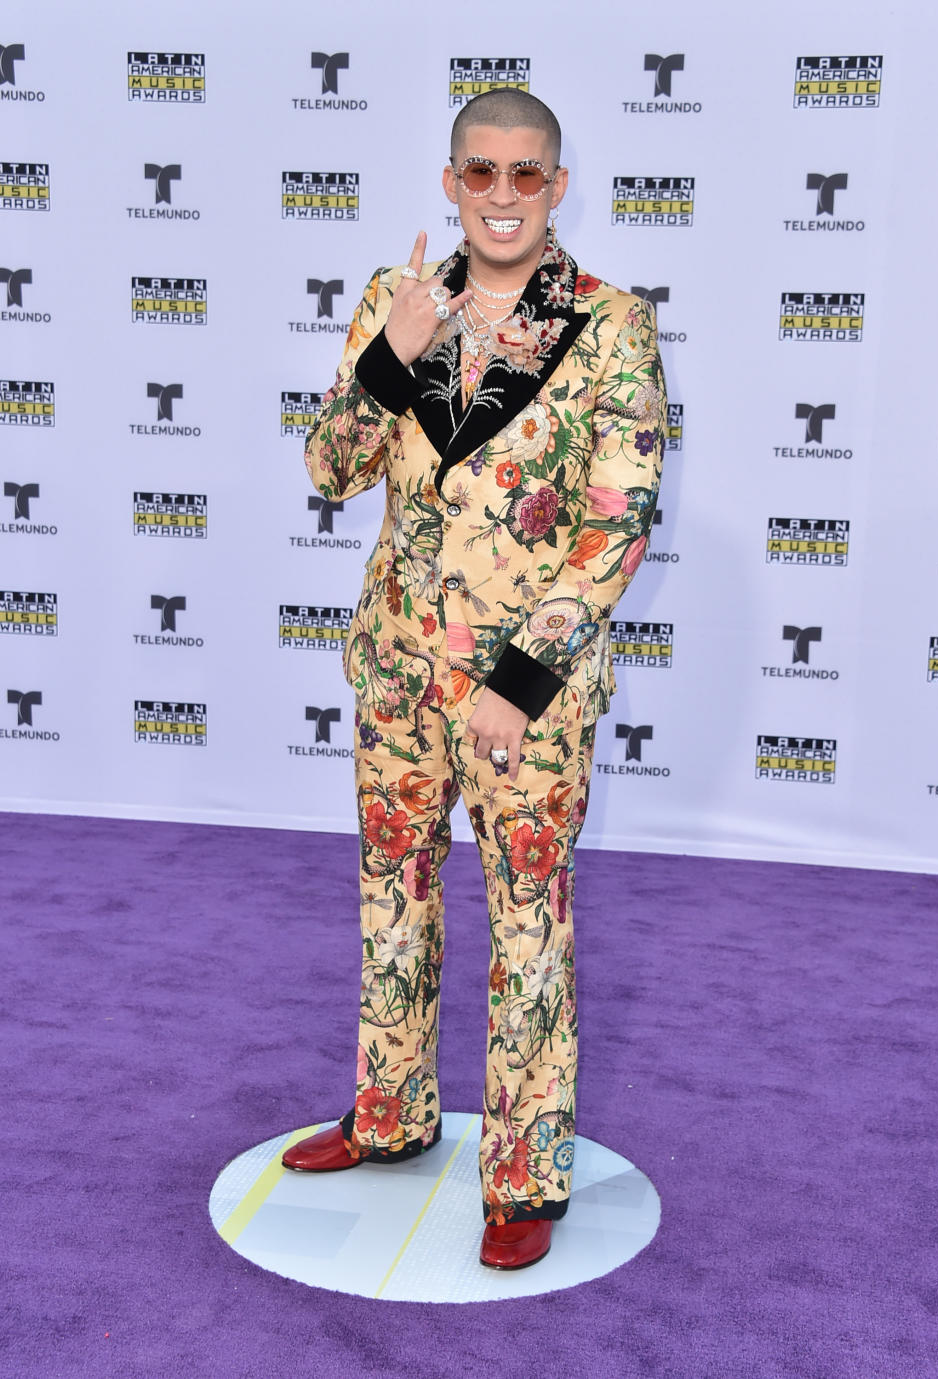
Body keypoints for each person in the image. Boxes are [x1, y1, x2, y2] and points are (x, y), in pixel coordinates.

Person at [283, 88, 666, 1271]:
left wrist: (522, 671)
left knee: (527, 921)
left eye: (527, 175)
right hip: (396, 670)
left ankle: (523, 1168)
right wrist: (392, 356)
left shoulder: (610, 325)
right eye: (481, 172)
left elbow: (618, 519)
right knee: (392, 893)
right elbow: (332, 468)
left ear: (559, 186)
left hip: (523, 698)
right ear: (450, 180)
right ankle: (391, 1110)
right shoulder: (395, 305)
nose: (503, 196)